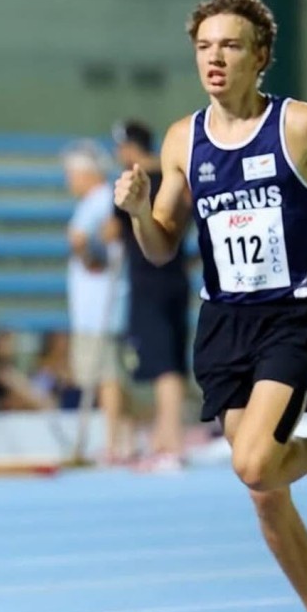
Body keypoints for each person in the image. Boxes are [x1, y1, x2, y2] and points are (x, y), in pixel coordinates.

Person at [115, 0, 307, 612]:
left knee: (254, 462)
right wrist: (140, 213)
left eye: (230, 45)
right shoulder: (184, 139)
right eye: (205, 46)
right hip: (222, 320)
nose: (215, 58)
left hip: (290, 314)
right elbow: (161, 246)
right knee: (263, 490)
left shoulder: (301, 126)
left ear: (261, 56)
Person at [106, 120, 192, 462]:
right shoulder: (175, 180)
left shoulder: (133, 183)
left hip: (146, 279)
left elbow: (111, 234)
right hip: (176, 275)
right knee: (172, 356)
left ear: (129, 147)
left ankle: (169, 439)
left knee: (161, 362)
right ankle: (168, 433)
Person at [64, 140, 131, 463]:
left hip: (98, 305)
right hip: (104, 302)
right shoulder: (104, 200)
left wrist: (90, 257)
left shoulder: (97, 200)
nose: (69, 180)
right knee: (112, 374)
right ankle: (124, 439)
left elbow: (77, 238)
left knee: (106, 377)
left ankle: (114, 442)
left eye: (72, 173)